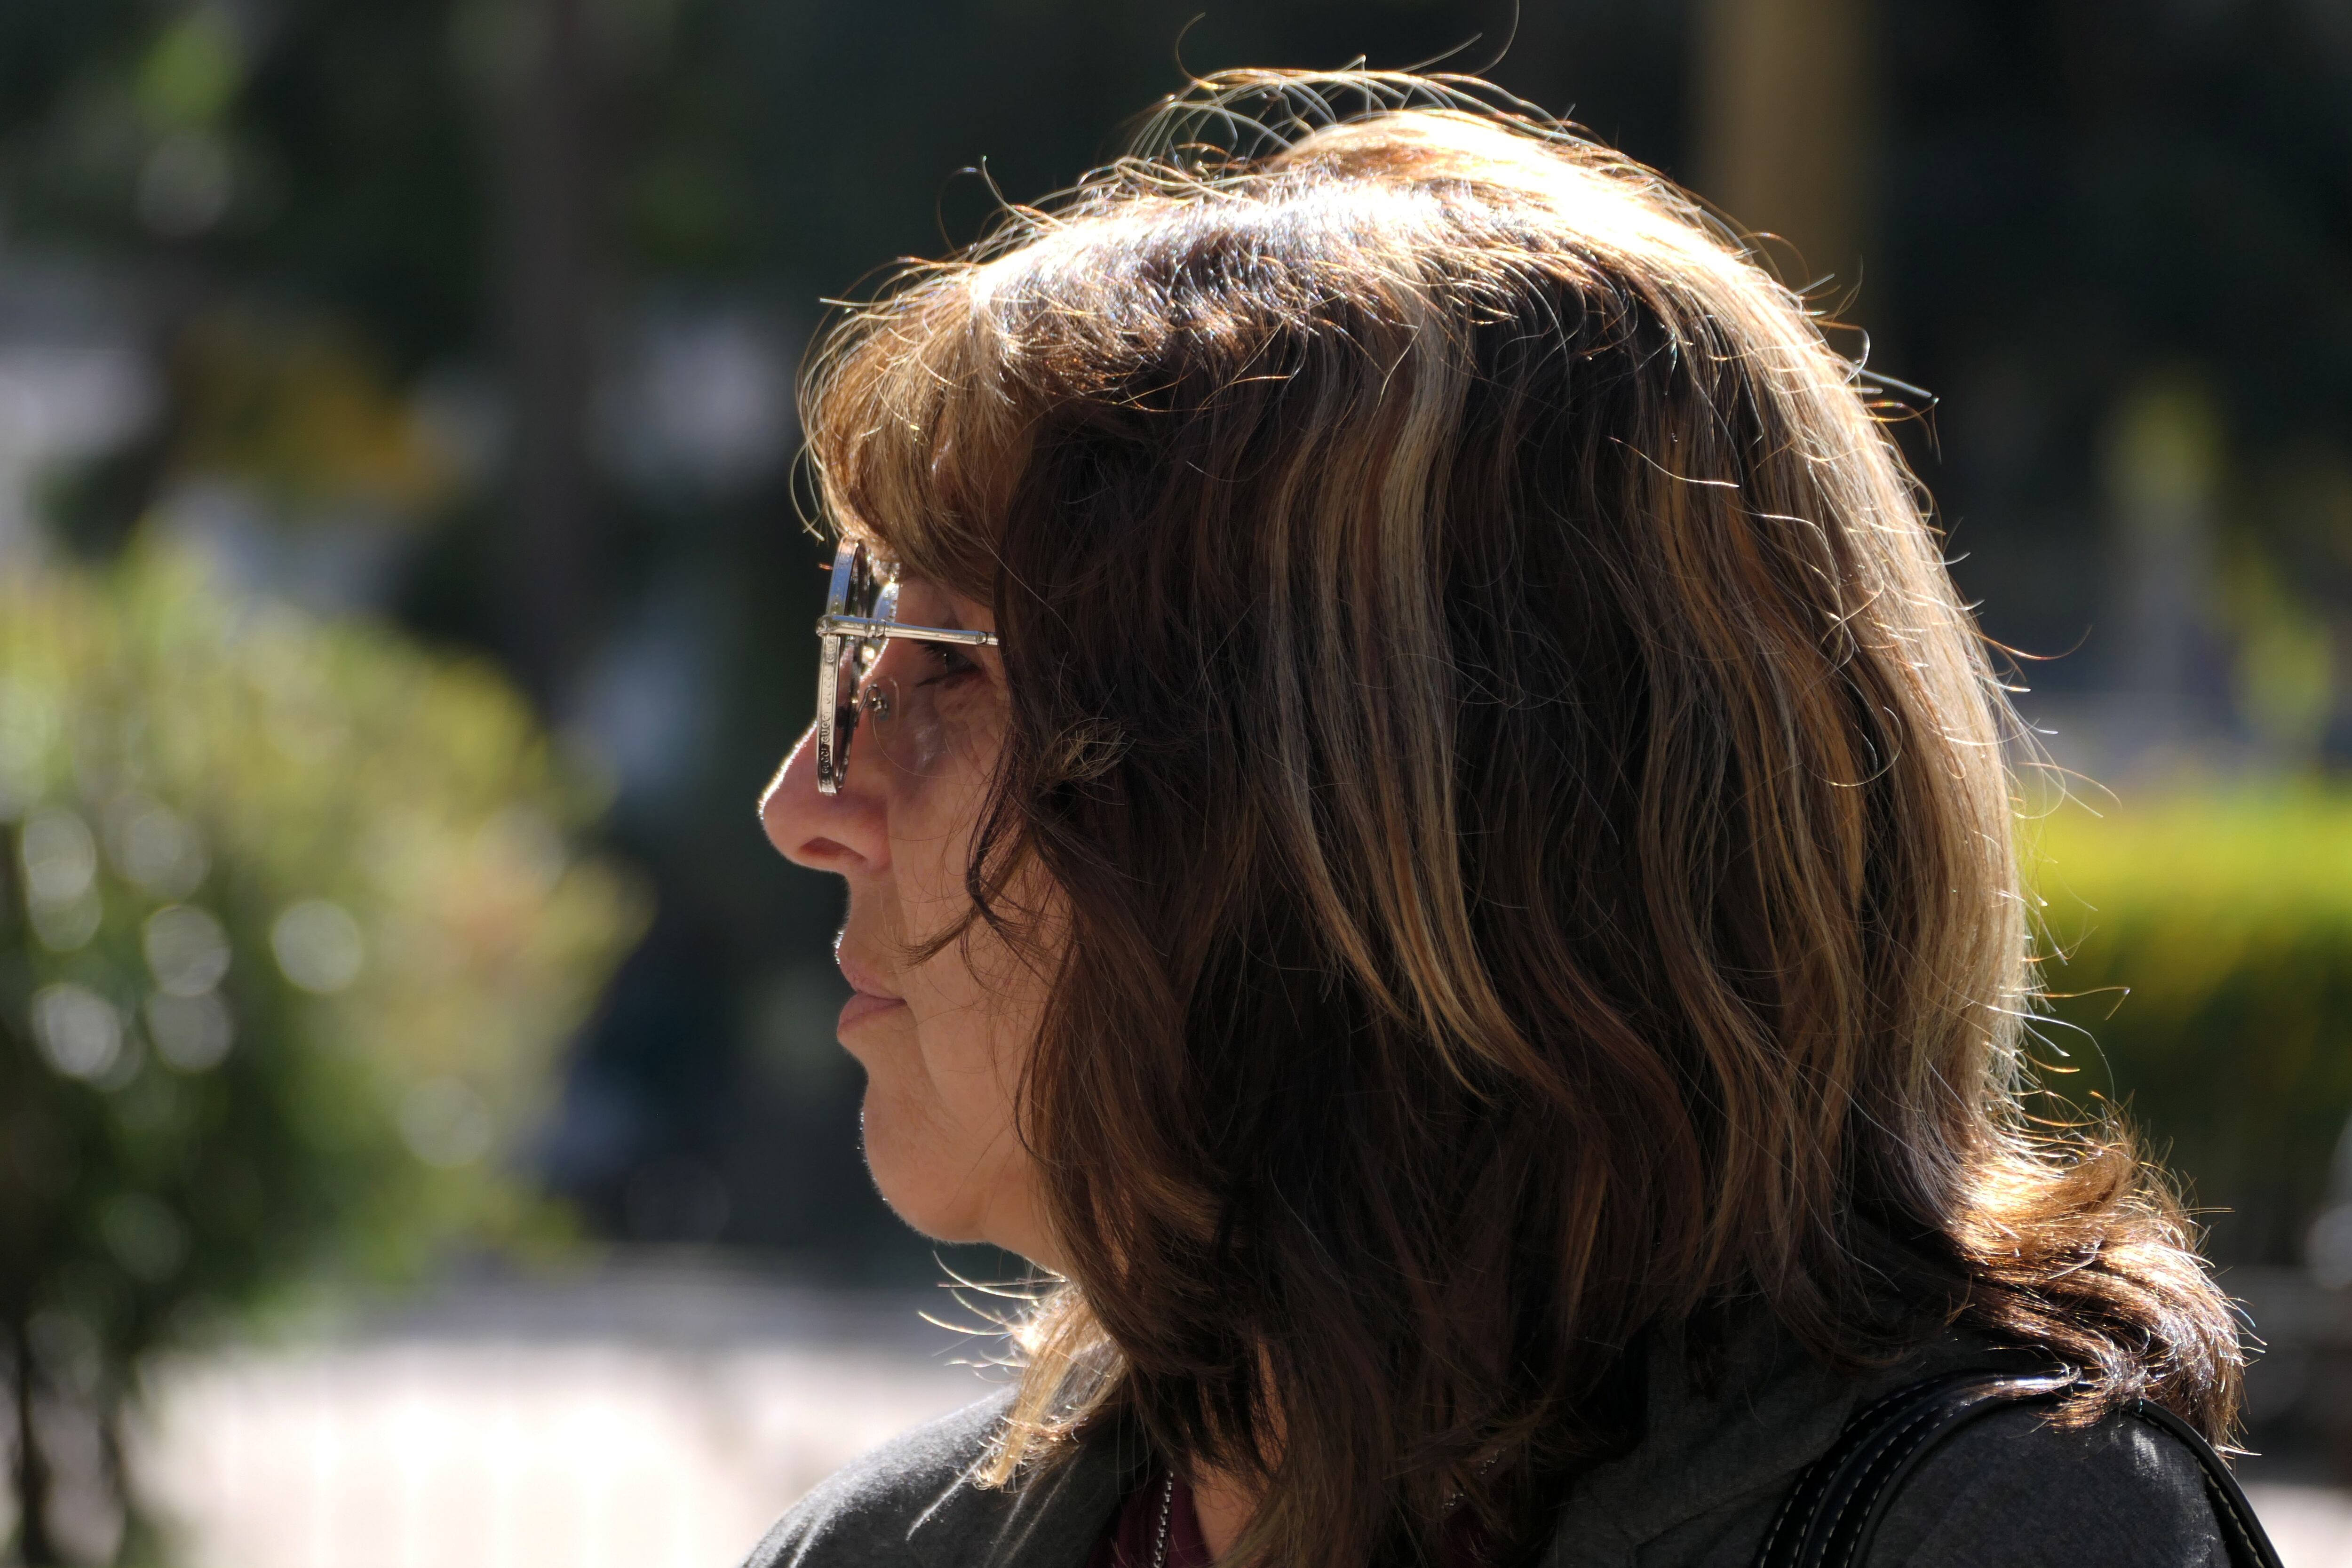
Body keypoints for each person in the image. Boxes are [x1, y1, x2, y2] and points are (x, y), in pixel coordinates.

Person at [750, 71, 2245, 1568]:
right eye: (861, 654)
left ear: (1377, 816)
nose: (805, 804)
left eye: (948, 671)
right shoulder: (883, 1550)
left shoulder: (2004, 1537)